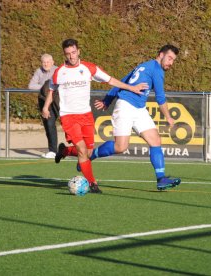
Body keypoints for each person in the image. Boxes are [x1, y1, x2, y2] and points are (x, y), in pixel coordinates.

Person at [42, 38, 148, 194]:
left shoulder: (89, 68)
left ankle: (64, 151)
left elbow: (110, 80)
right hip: (69, 116)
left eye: (73, 52)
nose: (71, 56)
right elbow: (51, 91)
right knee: (83, 150)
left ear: (78, 51)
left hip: (86, 115)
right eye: (67, 54)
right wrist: (46, 107)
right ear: (64, 54)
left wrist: (131, 88)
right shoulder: (59, 73)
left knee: (88, 152)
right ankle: (93, 184)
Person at [87, 44, 181, 191]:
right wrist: (168, 116)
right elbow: (160, 97)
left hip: (139, 108)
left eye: (173, 60)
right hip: (125, 106)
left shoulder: (144, 66)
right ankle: (90, 155)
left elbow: (122, 82)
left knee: (155, 139)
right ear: (161, 54)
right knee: (120, 147)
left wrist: (107, 100)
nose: (171, 62)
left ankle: (161, 179)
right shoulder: (156, 69)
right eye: (169, 58)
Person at [29, 54, 58, 159]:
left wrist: (50, 88)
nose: (46, 64)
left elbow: (60, 85)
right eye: (44, 62)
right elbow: (31, 85)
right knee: (48, 125)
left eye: (48, 62)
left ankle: (76, 150)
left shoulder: (57, 70)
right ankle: (53, 151)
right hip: (43, 100)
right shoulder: (39, 71)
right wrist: (46, 87)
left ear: (52, 62)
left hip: (56, 100)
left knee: (63, 124)